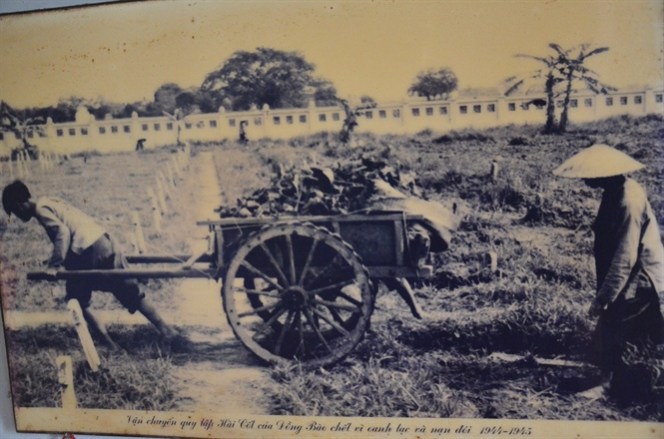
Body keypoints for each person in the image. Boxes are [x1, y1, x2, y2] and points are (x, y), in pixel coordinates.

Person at [2, 180, 184, 352]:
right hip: (103, 240)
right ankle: (166, 330)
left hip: (87, 248)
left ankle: (110, 345)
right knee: (128, 289)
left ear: (19, 204)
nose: (18, 216)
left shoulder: (41, 210)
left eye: (15, 212)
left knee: (77, 299)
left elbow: (62, 233)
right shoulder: (49, 201)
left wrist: (53, 266)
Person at [553, 144, 664, 401]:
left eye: (590, 176)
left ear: (606, 174)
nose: (585, 180)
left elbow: (626, 256)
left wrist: (603, 298)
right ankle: (616, 378)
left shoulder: (628, 200)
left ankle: (609, 386)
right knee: (615, 326)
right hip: (627, 275)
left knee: (618, 325)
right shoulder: (614, 192)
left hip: (640, 277)